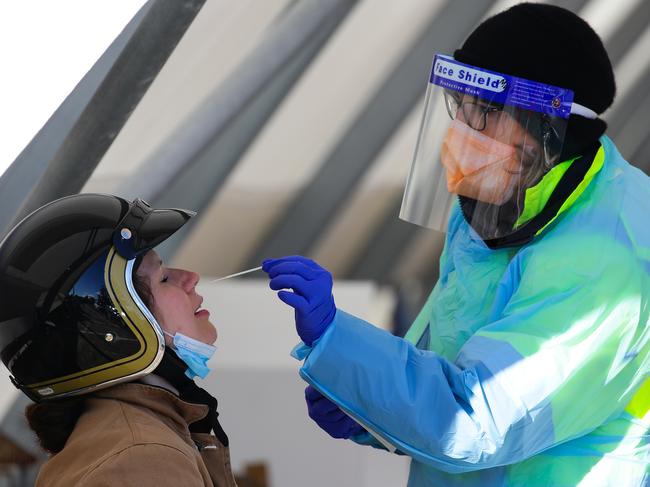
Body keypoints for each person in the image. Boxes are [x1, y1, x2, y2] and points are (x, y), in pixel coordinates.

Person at [262, 3, 650, 486]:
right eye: (459, 106)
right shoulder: (499, 204)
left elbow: (475, 420)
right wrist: (367, 407)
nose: (462, 131)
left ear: (548, 129)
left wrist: (339, 343)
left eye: (485, 111)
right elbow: (450, 363)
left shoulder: (606, 258)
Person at [0, 194, 237, 486]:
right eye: (162, 279)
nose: (190, 277)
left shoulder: (124, 442)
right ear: (116, 331)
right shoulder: (144, 460)